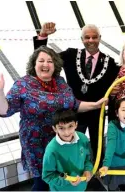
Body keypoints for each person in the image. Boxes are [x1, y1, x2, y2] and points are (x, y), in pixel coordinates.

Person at [0, 46, 107, 191]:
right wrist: (0, 92)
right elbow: (5, 110)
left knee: (63, 177)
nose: (45, 64)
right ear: (34, 64)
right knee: (43, 182)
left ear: (55, 64)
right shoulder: (23, 84)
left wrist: (95, 105)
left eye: (50, 61)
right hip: (37, 144)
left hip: (62, 139)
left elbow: (74, 104)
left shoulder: (60, 81)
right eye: (41, 60)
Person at [33, 22, 120, 161]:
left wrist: (113, 93)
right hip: (73, 111)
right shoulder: (70, 55)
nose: (91, 40)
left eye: (94, 37)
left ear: (100, 38)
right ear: (82, 39)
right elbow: (44, 58)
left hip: (97, 112)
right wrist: (43, 36)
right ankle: (74, 169)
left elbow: (114, 87)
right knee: (71, 144)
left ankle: (98, 171)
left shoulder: (109, 62)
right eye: (87, 37)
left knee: (98, 146)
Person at [42, 109, 93, 191]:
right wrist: (67, 181)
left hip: (81, 187)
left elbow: (87, 159)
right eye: (61, 128)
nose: (67, 132)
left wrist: (88, 170)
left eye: (70, 126)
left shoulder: (83, 138)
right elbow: (48, 176)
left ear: (76, 124)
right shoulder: (51, 149)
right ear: (55, 129)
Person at [99, 98, 125, 191]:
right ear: (117, 113)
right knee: (113, 185)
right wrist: (106, 165)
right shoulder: (112, 126)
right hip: (113, 162)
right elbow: (111, 146)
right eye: (123, 110)